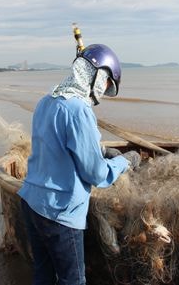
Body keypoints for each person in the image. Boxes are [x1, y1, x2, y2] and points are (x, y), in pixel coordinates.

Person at [18, 44, 139, 285]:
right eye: (105, 82)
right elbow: (95, 174)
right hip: (60, 212)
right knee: (72, 280)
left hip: (31, 202)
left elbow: (54, 144)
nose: (104, 90)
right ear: (97, 76)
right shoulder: (78, 110)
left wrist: (101, 150)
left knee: (43, 273)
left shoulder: (46, 100)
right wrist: (124, 162)